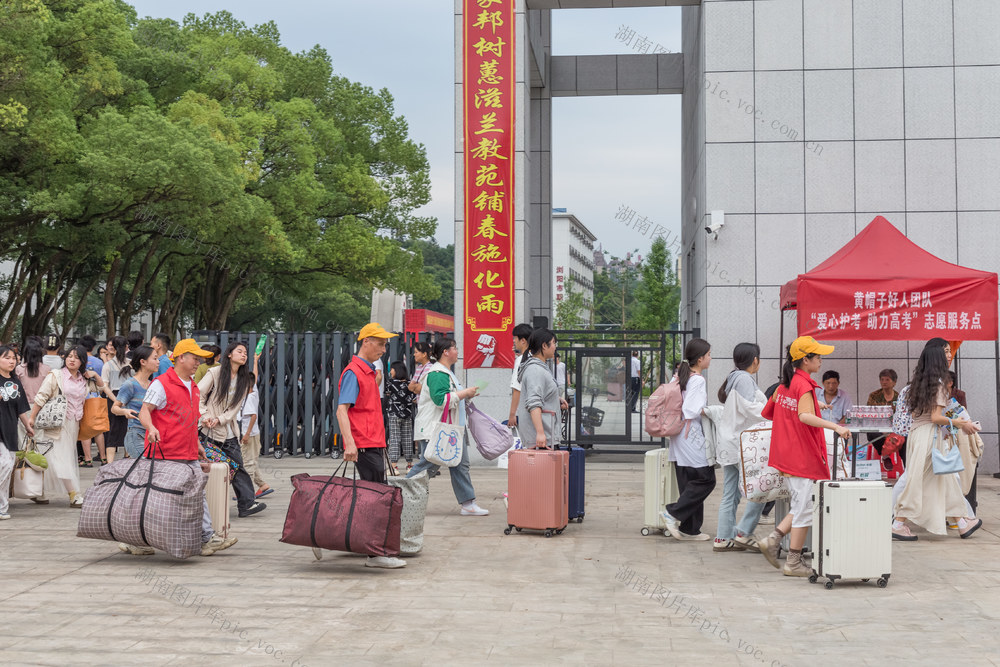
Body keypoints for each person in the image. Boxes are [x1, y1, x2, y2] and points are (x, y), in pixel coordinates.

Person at [134, 338, 237, 557]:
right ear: (181, 358)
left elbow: (189, 421)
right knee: (154, 498)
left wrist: (198, 444)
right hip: (163, 453)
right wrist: (151, 427)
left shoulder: (194, 387)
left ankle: (206, 538)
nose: (198, 362)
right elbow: (145, 410)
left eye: (200, 359)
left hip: (187, 452)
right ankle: (134, 538)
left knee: (196, 493)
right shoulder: (161, 383)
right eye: (194, 358)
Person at [757, 337, 850, 577]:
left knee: (802, 504)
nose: (821, 361)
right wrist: (835, 426)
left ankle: (773, 539)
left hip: (785, 454)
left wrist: (813, 404)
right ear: (805, 360)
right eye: (817, 357)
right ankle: (793, 561)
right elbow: (804, 417)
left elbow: (769, 411)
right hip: (801, 456)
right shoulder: (804, 386)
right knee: (805, 508)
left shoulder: (785, 385)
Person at [892, 339, 982, 541]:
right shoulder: (939, 384)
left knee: (946, 478)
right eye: (947, 351)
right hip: (929, 436)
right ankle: (898, 524)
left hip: (920, 434)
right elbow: (935, 417)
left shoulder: (919, 382)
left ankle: (961, 522)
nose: (950, 355)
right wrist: (957, 422)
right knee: (917, 482)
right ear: (937, 356)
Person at [335, 322, 407, 569]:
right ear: (366, 341)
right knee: (377, 496)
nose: (384, 349)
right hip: (364, 445)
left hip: (373, 442)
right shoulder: (353, 372)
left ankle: (362, 543)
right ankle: (376, 554)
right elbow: (341, 410)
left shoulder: (366, 373)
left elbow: (363, 407)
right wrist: (350, 444)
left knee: (373, 495)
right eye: (381, 343)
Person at [408, 337, 489, 517]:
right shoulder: (438, 373)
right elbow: (441, 400)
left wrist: (466, 395)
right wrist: (464, 393)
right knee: (426, 466)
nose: (457, 352)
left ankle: (468, 503)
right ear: (446, 352)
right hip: (437, 430)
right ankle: (399, 495)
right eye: (455, 348)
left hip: (451, 429)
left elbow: (450, 396)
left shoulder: (446, 372)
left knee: (460, 465)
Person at [29, 345, 104, 507]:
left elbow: (100, 387)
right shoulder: (56, 375)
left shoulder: (83, 379)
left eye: (76, 357)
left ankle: (38, 491)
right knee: (60, 459)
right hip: (55, 424)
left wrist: (95, 374)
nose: (72, 360)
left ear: (82, 361)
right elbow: (41, 396)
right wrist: (32, 418)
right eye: (69, 356)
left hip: (74, 424)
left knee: (53, 457)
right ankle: (74, 494)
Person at [712, 343, 769, 553]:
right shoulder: (745, 378)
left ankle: (723, 538)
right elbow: (751, 408)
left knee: (730, 494)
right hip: (743, 446)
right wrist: (775, 411)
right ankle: (743, 533)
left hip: (730, 444)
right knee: (762, 488)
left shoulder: (734, 376)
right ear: (755, 359)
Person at [198, 341, 266, 519]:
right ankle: (206, 504)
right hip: (207, 432)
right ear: (229, 354)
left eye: (245, 352)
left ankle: (247, 504)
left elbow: (234, 408)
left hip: (228, 431)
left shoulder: (244, 380)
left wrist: (219, 419)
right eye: (240, 351)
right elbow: (198, 395)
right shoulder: (215, 373)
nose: (244, 355)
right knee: (210, 468)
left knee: (238, 467)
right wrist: (204, 416)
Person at [660, 338, 716, 541]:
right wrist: (711, 411)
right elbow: (691, 409)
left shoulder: (680, 376)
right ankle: (672, 512)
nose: (710, 358)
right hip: (691, 434)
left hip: (678, 435)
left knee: (689, 480)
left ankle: (690, 529)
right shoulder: (698, 380)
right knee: (706, 479)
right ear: (700, 359)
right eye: (709, 355)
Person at [515, 329, 568, 449]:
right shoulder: (535, 370)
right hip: (541, 441)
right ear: (544, 345)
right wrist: (540, 433)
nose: (555, 347)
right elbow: (534, 403)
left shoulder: (539, 368)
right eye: (554, 343)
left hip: (545, 437)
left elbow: (539, 395)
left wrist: (555, 399)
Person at [0, 344, 36, 520]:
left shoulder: (15, 383)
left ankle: (2, 507)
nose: (11, 361)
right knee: (5, 464)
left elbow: (21, 408)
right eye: (7, 358)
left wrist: (28, 425)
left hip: (10, 429)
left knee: (7, 469)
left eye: (13, 358)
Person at [113, 345, 158, 459]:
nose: (158, 362)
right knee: (146, 467)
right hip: (135, 435)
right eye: (155, 358)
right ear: (143, 361)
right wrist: (125, 411)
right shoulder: (130, 384)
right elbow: (114, 408)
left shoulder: (153, 385)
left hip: (150, 436)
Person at [100, 336, 130, 464]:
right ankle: (128, 459)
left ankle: (110, 464)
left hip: (114, 398)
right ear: (126, 347)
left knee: (113, 430)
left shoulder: (108, 365)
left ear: (113, 348)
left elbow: (104, 386)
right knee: (129, 429)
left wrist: (116, 400)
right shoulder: (131, 363)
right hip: (129, 398)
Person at [239, 381, 271, 498]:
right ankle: (262, 484)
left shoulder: (248, 399)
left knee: (248, 463)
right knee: (251, 460)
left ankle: (247, 491)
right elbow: (255, 378)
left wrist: (246, 434)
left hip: (249, 435)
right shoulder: (254, 393)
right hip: (253, 434)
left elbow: (253, 416)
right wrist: (256, 362)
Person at [865, 368, 899, 469]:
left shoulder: (899, 397)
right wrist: (883, 430)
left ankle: (906, 463)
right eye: (882, 380)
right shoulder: (874, 396)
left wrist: (891, 430)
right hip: (878, 428)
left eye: (887, 380)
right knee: (871, 433)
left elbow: (901, 416)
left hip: (895, 429)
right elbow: (869, 413)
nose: (884, 382)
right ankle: (885, 456)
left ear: (894, 382)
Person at [385, 360, 415, 469]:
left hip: (394, 413)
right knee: (407, 438)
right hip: (407, 414)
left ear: (396, 370)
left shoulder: (391, 383)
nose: (390, 371)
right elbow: (414, 398)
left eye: (392, 369)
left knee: (394, 439)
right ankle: (409, 465)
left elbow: (386, 393)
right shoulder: (410, 384)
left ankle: (393, 466)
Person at [407, 341, 433, 463]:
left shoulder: (430, 368)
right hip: (420, 406)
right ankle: (426, 462)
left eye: (417, 352)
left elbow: (420, 388)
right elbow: (411, 387)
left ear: (424, 354)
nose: (414, 355)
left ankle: (426, 462)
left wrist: (415, 387)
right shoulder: (419, 368)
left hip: (427, 408)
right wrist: (415, 387)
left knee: (426, 436)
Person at [506, 323, 533, 426]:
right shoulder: (534, 358)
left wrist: (512, 414)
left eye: (515, 338)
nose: (513, 341)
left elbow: (517, 389)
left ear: (523, 341)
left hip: (523, 413)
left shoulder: (521, 361)